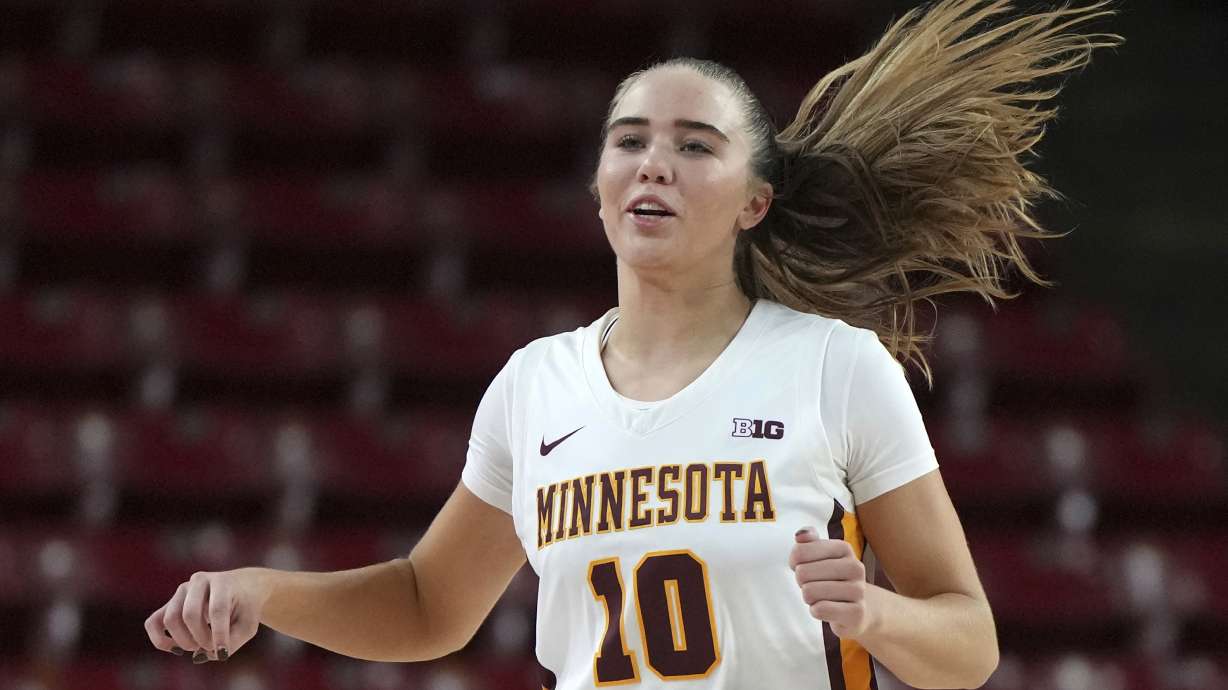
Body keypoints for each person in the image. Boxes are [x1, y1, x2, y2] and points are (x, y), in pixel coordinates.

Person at [144, 1, 1122, 687]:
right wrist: (262, 591)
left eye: (695, 144)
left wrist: (874, 615)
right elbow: (426, 604)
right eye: (629, 139)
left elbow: (971, 645)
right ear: (600, 186)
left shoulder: (835, 367)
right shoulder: (535, 386)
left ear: (754, 202)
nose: (654, 160)